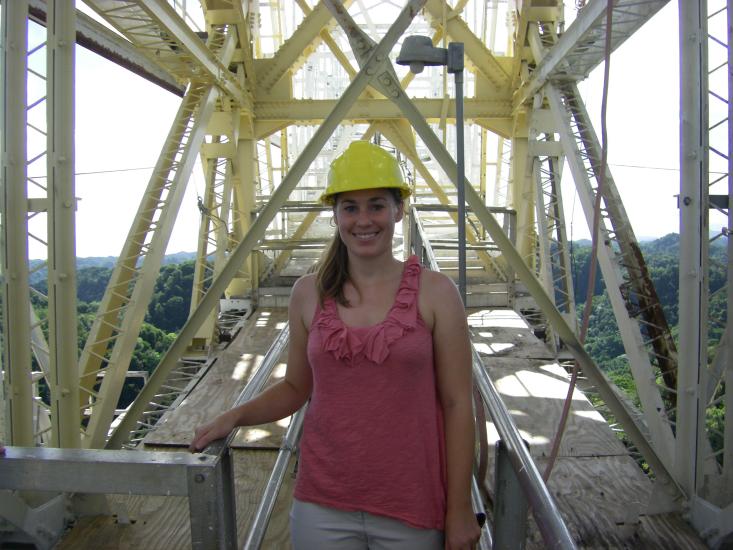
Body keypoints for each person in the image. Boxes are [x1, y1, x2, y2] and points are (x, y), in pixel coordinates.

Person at [191, 141, 481, 549]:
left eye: (377, 205)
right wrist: (234, 417)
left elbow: (457, 403)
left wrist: (460, 507)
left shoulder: (436, 294)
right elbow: (296, 388)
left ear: (398, 210)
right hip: (323, 502)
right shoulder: (308, 293)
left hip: (411, 502)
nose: (364, 220)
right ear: (336, 215)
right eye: (351, 207)